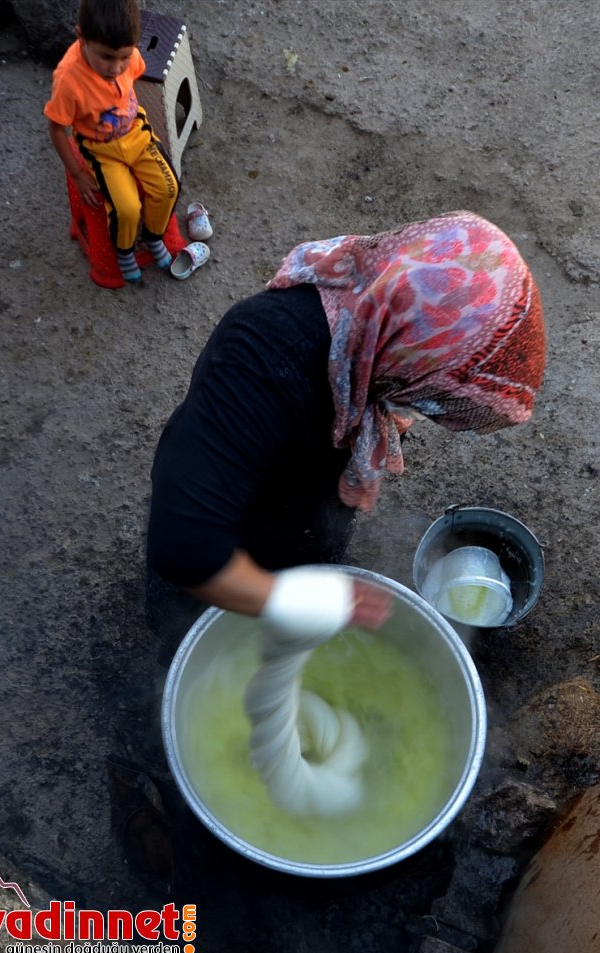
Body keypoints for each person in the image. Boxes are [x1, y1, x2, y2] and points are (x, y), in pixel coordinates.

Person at [146, 210, 546, 656]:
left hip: (286, 526)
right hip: (218, 561)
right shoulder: (261, 361)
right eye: (437, 398)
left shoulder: (372, 337)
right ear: (418, 353)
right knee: (191, 640)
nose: (431, 413)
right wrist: (303, 603)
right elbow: (184, 548)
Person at [44, 0, 178, 284]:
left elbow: (134, 81)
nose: (116, 68)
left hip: (137, 134)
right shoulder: (69, 79)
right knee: (126, 208)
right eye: (106, 57)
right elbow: (56, 129)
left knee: (169, 187)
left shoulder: (127, 55)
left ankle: (154, 237)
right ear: (81, 36)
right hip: (100, 150)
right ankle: (124, 252)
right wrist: (78, 174)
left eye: (124, 57)